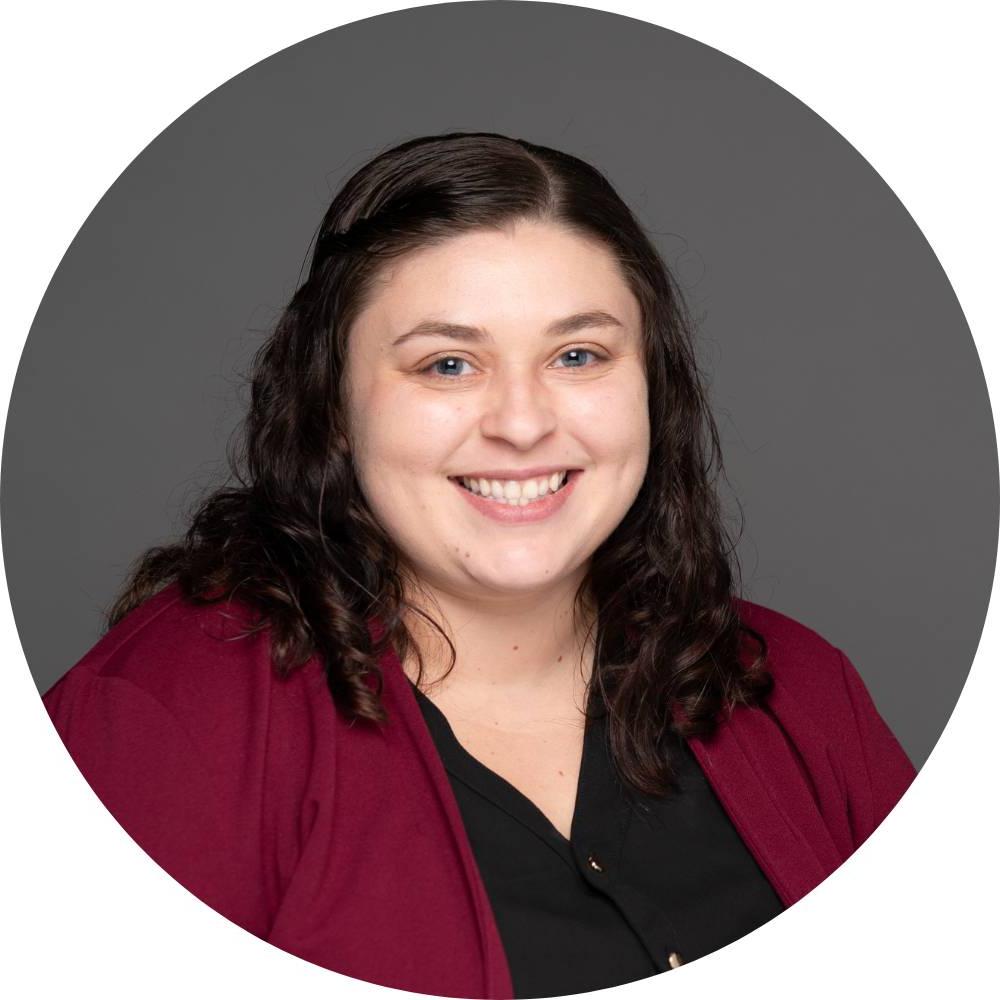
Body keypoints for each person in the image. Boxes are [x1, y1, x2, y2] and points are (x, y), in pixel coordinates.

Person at [42, 131, 916, 999]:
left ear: (652, 383)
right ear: (333, 406)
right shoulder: (164, 721)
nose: (524, 423)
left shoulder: (799, 690)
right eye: (448, 364)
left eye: (578, 355)